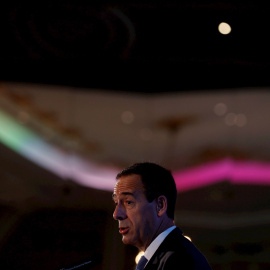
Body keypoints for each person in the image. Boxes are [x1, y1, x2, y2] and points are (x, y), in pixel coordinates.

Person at [112, 162, 212, 270]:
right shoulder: (164, 256)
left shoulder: (178, 260)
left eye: (128, 202)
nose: (116, 214)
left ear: (160, 205)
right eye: (117, 203)